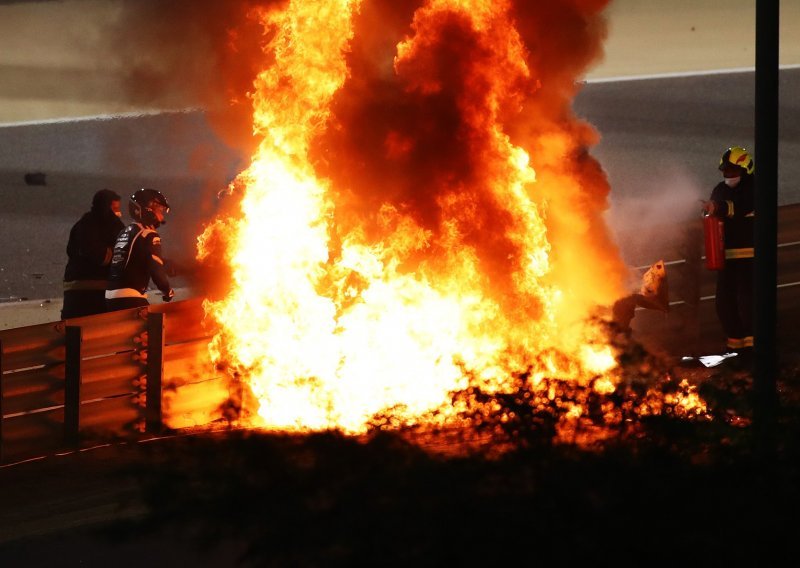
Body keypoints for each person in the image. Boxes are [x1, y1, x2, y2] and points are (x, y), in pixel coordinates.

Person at [702, 146, 755, 358]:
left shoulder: (755, 188)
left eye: (732, 171)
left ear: (745, 170)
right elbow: (715, 212)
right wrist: (707, 210)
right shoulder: (720, 189)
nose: (727, 175)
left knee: (749, 303)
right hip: (727, 258)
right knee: (724, 304)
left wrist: (718, 207)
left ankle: (755, 350)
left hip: (751, 257)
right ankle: (735, 349)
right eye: (725, 171)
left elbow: (741, 206)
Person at [106, 188, 175, 311]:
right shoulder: (148, 233)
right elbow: (156, 268)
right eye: (160, 210)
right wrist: (167, 290)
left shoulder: (125, 232)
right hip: (130, 296)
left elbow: (136, 258)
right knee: (159, 326)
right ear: (148, 209)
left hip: (110, 297)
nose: (162, 215)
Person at [61, 189, 125, 319]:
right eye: (115, 209)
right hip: (97, 295)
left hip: (73, 293)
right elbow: (101, 256)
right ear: (106, 207)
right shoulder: (110, 225)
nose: (118, 213)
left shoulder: (80, 225)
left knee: (74, 335)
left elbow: (70, 251)